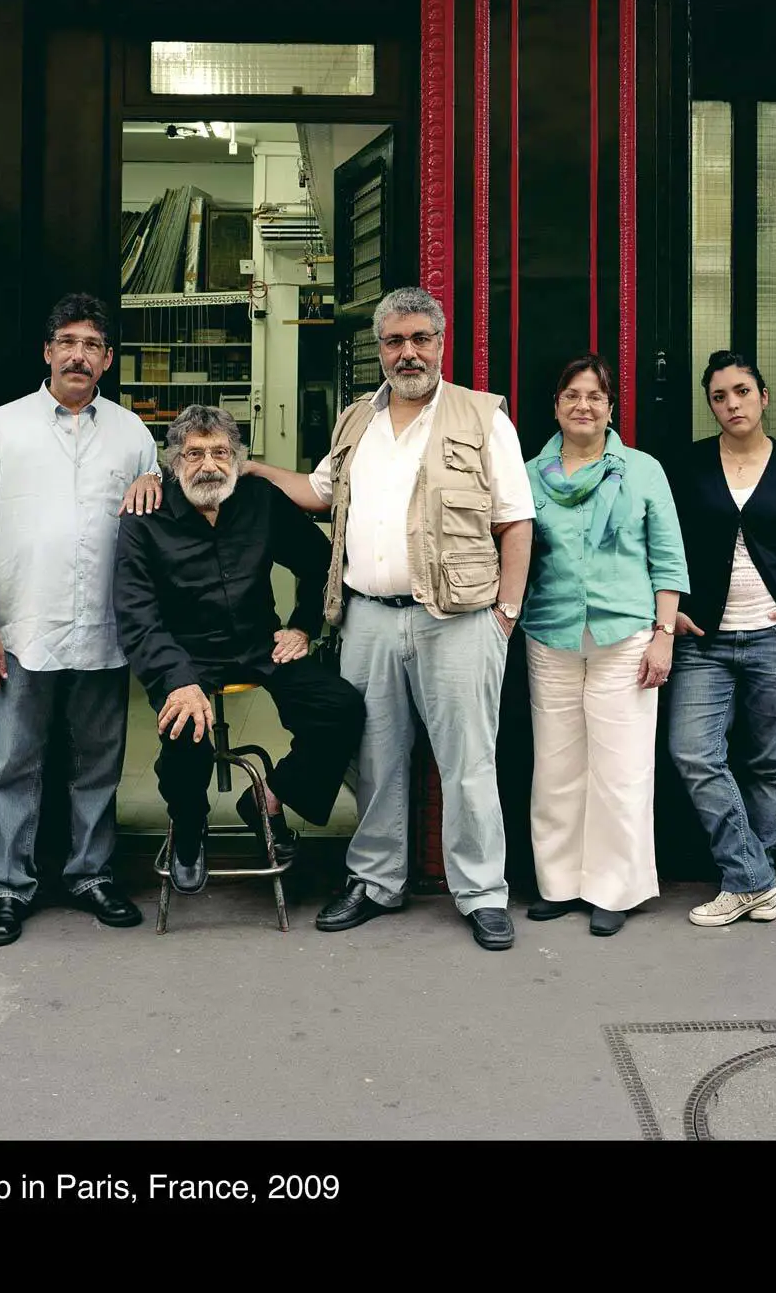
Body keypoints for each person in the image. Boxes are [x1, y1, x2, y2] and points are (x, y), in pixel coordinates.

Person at [247, 286, 536, 952]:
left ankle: (482, 893)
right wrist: (253, 467)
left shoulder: (483, 417)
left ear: (441, 343)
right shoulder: (357, 420)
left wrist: (506, 614)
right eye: (395, 341)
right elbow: (318, 492)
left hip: (458, 619)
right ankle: (377, 881)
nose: (408, 352)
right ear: (378, 348)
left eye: (420, 339)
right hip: (369, 618)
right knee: (375, 759)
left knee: (468, 762)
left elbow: (515, 521)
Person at [0, 296, 164, 948]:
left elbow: (155, 519)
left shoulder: (133, 433)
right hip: (23, 627)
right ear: (47, 352)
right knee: (14, 763)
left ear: (107, 359)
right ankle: (9, 888)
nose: (78, 355)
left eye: (91, 344)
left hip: (105, 625)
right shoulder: (0, 427)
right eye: (67, 342)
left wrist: (154, 484)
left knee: (99, 763)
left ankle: (91, 875)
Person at [113, 405, 364, 892]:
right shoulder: (145, 516)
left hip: (258, 644)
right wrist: (177, 681)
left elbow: (320, 562)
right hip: (183, 655)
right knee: (184, 728)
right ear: (173, 462)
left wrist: (302, 626)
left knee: (340, 707)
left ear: (238, 459)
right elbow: (136, 612)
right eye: (195, 454)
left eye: (221, 452)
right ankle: (189, 828)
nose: (209, 464)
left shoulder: (260, 500)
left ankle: (268, 799)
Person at [665, 351, 776, 927]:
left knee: (768, 763)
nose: (732, 404)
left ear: (763, 396)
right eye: (719, 396)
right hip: (704, 638)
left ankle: (745, 883)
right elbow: (661, 542)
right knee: (692, 751)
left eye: (741, 391)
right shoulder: (687, 466)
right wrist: (670, 611)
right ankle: (756, 880)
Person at [519, 354, 689, 937]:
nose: (583, 406)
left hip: (627, 636)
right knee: (556, 767)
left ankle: (614, 889)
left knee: (622, 769)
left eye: (595, 396)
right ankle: (560, 883)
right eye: (571, 395)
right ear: (555, 406)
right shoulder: (528, 474)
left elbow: (668, 559)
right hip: (551, 633)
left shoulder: (642, 470)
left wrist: (664, 636)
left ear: (611, 407)